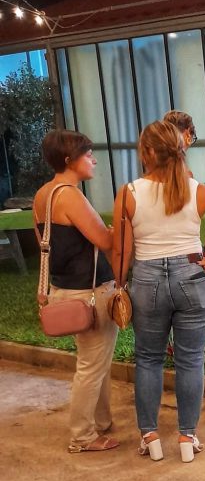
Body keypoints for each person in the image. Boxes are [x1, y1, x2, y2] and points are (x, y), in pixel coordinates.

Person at [112, 120, 205, 463]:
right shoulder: (198, 190)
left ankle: (150, 436)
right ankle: (187, 437)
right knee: (191, 360)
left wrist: (119, 285)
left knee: (148, 359)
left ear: (147, 152)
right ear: (180, 149)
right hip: (192, 276)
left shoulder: (128, 193)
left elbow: (121, 251)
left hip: (147, 280)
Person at [33, 131, 119, 453]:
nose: (93, 160)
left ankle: (101, 421)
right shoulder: (70, 196)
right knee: (91, 366)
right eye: (88, 154)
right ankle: (83, 436)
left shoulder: (42, 195)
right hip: (89, 293)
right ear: (69, 160)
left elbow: (45, 245)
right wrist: (116, 229)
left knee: (95, 362)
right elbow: (105, 241)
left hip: (64, 290)